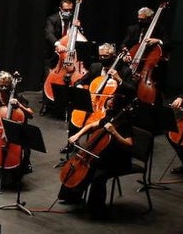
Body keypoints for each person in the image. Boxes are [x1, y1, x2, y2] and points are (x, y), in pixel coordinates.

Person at [57, 89, 135, 219]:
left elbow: (129, 144)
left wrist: (114, 132)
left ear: (117, 107)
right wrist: (77, 135)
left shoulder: (124, 123)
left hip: (118, 160)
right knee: (79, 165)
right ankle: (71, 197)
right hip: (103, 157)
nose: (107, 107)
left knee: (98, 175)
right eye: (107, 105)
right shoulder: (109, 118)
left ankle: (96, 210)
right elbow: (91, 126)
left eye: (110, 106)